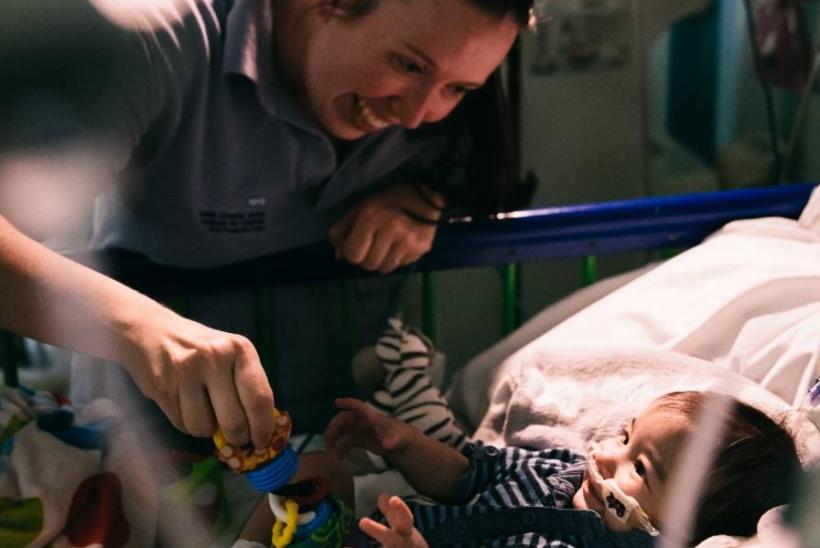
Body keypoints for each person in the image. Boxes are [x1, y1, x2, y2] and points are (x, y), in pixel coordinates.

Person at [1, 0, 532, 443]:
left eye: (459, 88)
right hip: (146, 441)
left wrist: (427, 200)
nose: (417, 116)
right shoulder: (165, 39)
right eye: (409, 66)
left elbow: (485, 175)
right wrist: (142, 330)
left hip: (346, 438)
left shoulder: (440, 107)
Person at [237, 321, 801, 547]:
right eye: (625, 437)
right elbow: (466, 473)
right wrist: (401, 441)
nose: (606, 456)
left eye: (640, 467)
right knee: (316, 473)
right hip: (361, 529)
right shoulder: (555, 467)